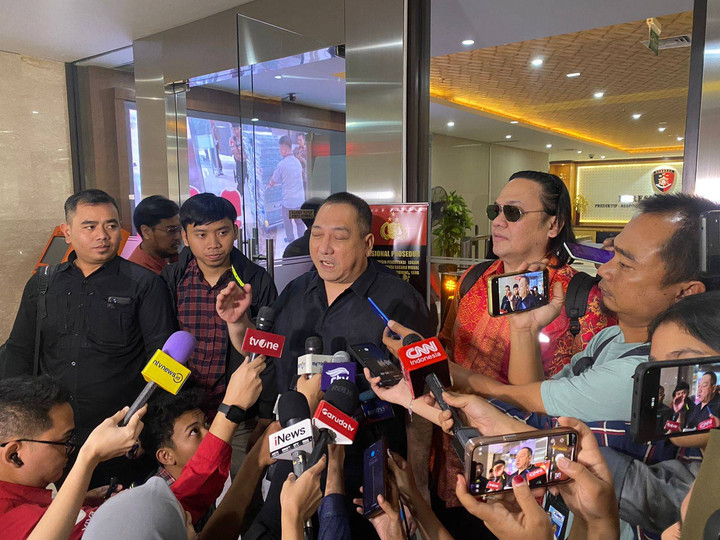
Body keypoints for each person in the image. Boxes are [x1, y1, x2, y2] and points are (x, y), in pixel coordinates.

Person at [433, 171, 613, 526]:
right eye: (495, 210)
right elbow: (447, 351)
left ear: (553, 224)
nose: (498, 222)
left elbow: (593, 400)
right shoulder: (473, 280)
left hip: (528, 480)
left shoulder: (581, 297)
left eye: (512, 213)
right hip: (454, 461)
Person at [0, 189, 177, 487]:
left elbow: (164, 362)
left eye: (111, 225)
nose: (103, 235)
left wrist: (150, 432)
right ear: (68, 232)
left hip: (119, 433)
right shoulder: (42, 285)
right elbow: (19, 353)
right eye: (90, 226)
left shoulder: (145, 285)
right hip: (56, 438)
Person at [161, 193, 278, 474]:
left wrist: (265, 415)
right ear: (185, 236)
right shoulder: (172, 280)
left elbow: (270, 351)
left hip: (239, 414)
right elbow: (161, 343)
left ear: (235, 231)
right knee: (190, 488)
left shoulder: (256, 280)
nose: (213, 243)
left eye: (222, 232)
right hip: (186, 417)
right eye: (201, 234)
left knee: (242, 487)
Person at [128, 195, 182, 274]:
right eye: (171, 230)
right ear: (146, 231)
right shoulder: (139, 275)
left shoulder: (176, 258)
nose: (178, 237)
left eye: (179, 229)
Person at [269, 135, 306, 242]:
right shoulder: (297, 162)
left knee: (287, 222)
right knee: (299, 222)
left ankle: (290, 240)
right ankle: (302, 241)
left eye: (280, 148)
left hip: (289, 203)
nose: (280, 151)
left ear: (284, 148)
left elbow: (273, 181)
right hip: (300, 201)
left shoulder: (281, 165)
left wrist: (270, 185)